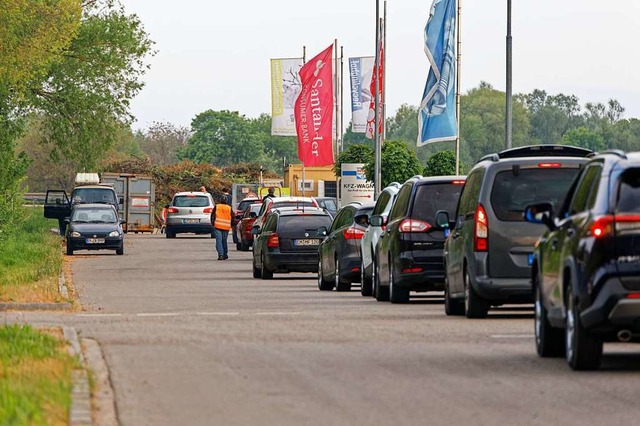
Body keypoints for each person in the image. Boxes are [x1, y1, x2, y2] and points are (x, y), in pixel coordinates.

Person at [211, 195, 232, 260]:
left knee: (219, 241)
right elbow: (233, 217)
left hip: (217, 226)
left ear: (220, 200)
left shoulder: (217, 206)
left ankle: (221, 255)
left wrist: (213, 224)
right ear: (226, 201)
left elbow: (212, 216)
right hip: (226, 226)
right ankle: (225, 254)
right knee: (224, 241)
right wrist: (231, 225)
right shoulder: (229, 208)